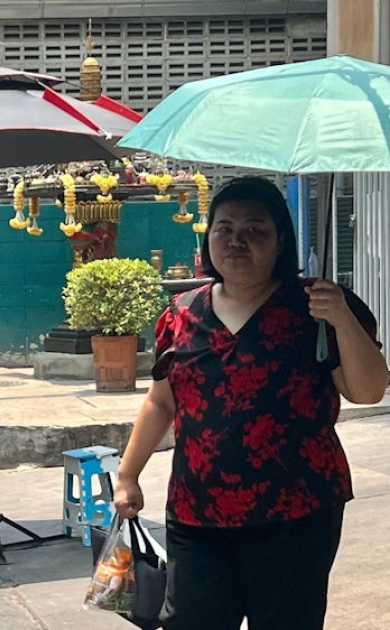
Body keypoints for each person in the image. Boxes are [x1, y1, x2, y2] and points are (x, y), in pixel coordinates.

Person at [113, 176, 388, 630]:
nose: (236, 241)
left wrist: (340, 319)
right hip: (197, 512)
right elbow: (161, 403)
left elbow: (368, 391)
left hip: (296, 514)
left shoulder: (319, 307)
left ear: (281, 241)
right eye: (224, 229)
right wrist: (128, 475)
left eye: (255, 230)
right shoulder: (180, 314)